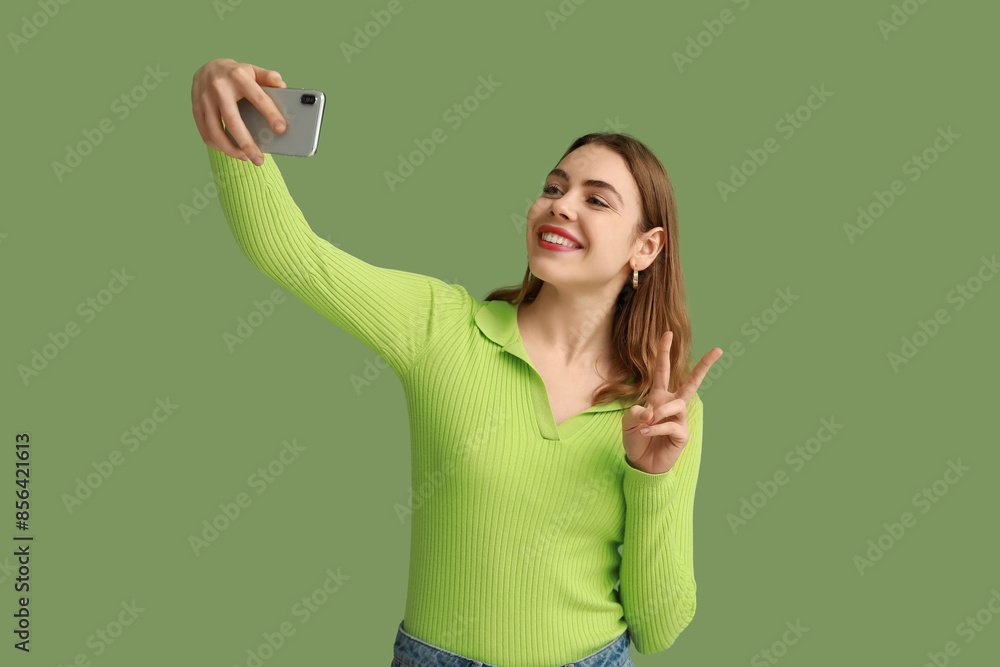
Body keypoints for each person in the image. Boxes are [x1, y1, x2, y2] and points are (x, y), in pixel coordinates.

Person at [191, 58, 723, 667]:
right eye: (553, 187)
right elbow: (293, 255)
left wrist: (651, 477)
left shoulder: (665, 410)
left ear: (645, 246)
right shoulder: (442, 328)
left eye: (595, 200)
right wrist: (227, 123)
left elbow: (659, 629)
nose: (560, 205)